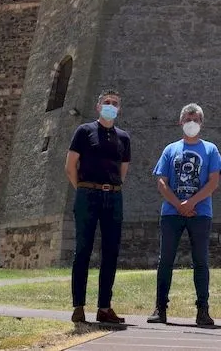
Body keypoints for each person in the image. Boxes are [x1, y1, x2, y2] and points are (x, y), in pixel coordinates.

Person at [146, 103, 221, 326]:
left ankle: (203, 310)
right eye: (188, 118)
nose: (192, 122)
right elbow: (161, 181)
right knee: (165, 261)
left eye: (196, 119)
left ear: (201, 123)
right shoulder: (170, 149)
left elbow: (213, 182)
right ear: (181, 122)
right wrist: (179, 204)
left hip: (200, 213)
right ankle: (160, 308)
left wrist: (190, 203)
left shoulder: (210, 149)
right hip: (172, 213)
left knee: (201, 261)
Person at [65, 88, 131, 325]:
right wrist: (82, 188)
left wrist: (111, 187)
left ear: (119, 108)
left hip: (113, 196)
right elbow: (70, 165)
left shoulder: (123, 137)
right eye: (107, 102)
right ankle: (79, 306)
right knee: (82, 250)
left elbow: (123, 169)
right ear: (98, 106)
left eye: (114, 103)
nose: (110, 105)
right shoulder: (84, 131)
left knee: (111, 252)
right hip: (88, 194)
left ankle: (104, 307)